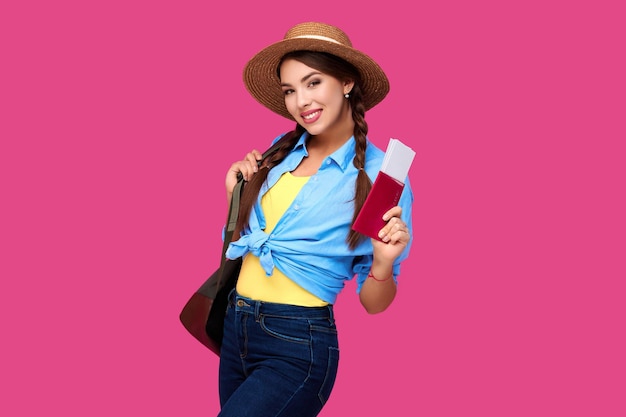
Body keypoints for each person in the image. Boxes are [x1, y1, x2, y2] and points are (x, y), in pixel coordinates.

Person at [217, 22, 413, 417]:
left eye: (313, 82)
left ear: (346, 83)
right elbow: (242, 244)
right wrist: (234, 193)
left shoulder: (380, 176)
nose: (300, 101)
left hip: (296, 343)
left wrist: (384, 262)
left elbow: (374, 304)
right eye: (290, 90)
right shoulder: (281, 150)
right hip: (236, 327)